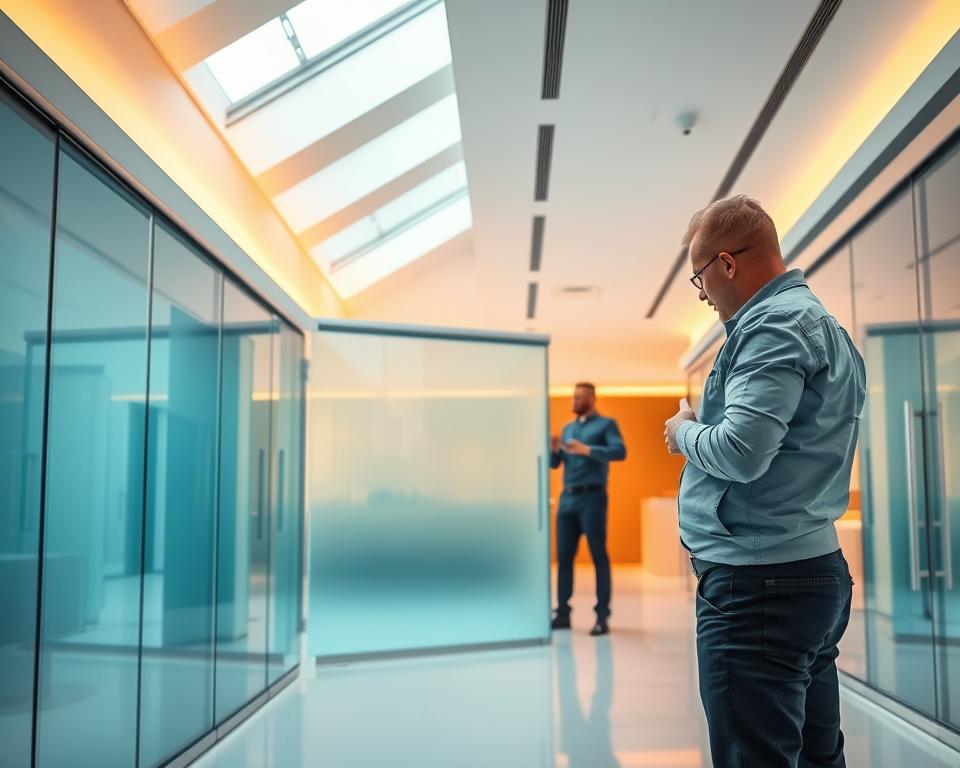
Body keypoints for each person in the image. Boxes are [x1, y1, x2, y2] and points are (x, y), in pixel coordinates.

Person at [664, 194, 866, 768]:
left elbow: (741, 451)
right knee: (814, 755)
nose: (700, 294)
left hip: (759, 590)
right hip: (801, 576)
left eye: (698, 277)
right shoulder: (819, 325)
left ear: (727, 264)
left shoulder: (774, 325)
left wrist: (682, 433)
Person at [551, 383, 626, 636]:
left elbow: (620, 452)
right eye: (573, 396)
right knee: (563, 559)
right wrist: (553, 449)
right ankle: (562, 614)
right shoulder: (568, 429)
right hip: (567, 500)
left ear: (591, 399)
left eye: (579, 397)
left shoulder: (606, 424)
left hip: (592, 499)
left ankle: (602, 617)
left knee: (598, 556)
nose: (574, 401)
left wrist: (588, 450)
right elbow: (555, 464)